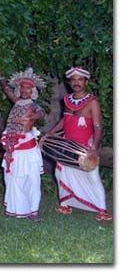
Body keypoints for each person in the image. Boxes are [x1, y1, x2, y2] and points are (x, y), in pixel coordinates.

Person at [46, 67, 112, 222]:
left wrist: (94, 148)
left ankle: (102, 210)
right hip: (67, 145)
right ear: (70, 82)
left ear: (86, 82)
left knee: (92, 176)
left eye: (80, 79)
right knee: (60, 173)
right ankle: (65, 204)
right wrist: (51, 133)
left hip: (84, 147)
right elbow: (65, 120)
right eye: (73, 80)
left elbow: (97, 127)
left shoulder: (92, 102)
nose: (76, 83)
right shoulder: (68, 100)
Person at [0, 66, 45, 222]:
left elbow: (41, 113)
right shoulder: (17, 102)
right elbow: (7, 91)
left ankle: (33, 211)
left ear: (33, 91)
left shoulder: (33, 105)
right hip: (12, 144)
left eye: (28, 88)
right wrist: (0, 77)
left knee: (32, 179)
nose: (24, 90)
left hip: (27, 146)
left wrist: (30, 119)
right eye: (22, 87)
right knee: (13, 178)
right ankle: (17, 208)